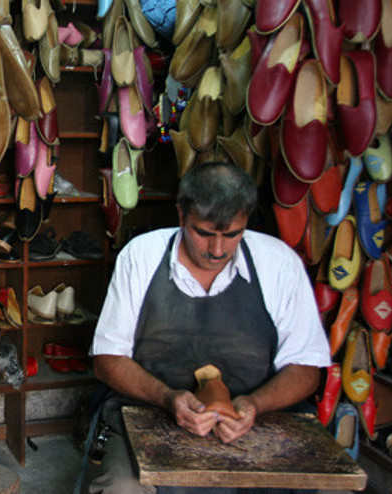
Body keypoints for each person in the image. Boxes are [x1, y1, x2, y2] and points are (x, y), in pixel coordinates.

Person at [88, 161, 331, 494]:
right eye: (203, 233)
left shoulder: (279, 263)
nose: (217, 250)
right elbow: (107, 360)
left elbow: (306, 368)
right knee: (122, 490)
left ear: (246, 221)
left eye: (231, 235)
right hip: (150, 414)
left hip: (258, 421)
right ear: (181, 216)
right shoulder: (140, 257)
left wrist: (254, 405)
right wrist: (169, 397)